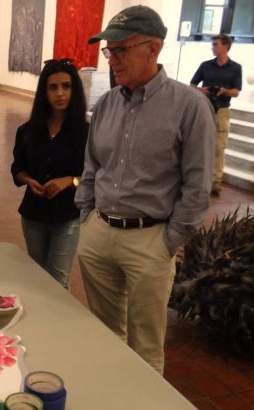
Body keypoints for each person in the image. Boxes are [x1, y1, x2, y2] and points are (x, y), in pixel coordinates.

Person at [74, 5, 216, 374]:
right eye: (109, 51)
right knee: (105, 334)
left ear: (153, 48)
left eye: (121, 49)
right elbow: (92, 166)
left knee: (146, 347)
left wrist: (169, 241)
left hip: (150, 240)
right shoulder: (107, 103)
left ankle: (145, 408)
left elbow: (198, 185)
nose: (113, 60)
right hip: (99, 233)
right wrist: (87, 218)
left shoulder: (189, 106)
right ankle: (112, 399)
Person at [11, 58, 88, 289]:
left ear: (75, 90)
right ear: (44, 92)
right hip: (33, 214)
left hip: (67, 215)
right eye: (53, 87)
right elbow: (18, 168)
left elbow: (95, 176)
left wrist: (70, 181)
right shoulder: (27, 131)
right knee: (36, 276)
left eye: (66, 86)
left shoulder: (86, 133)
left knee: (58, 280)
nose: (60, 93)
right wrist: (29, 180)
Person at [190, 33, 242, 196]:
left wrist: (225, 91)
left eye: (215, 44)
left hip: (223, 109)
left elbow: (236, 92)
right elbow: (192, 85)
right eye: (212, 44)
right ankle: (198, 177)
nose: (212, 47)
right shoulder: (205, 65)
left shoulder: (235, 68)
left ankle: (216, 180)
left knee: (219, 147)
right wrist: (202, 90)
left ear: (226, 47)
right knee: (199, 143)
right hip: (205, 107)